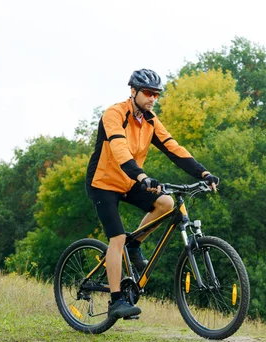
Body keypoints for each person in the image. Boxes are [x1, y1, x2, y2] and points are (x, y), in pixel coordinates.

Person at [85, 68, 219, 320]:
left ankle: (134, 245)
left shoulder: (150, 120)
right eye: (147, 93)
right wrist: (143, 177)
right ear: (133, 91)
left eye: (156, 94)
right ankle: (116, 301)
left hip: (129, 180)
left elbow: (173, 148)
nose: (152, 98)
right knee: (116, 239)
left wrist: (203, 174)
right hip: (103, 182)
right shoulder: (114, 114)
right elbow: (119, 149)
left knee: (166, 203)